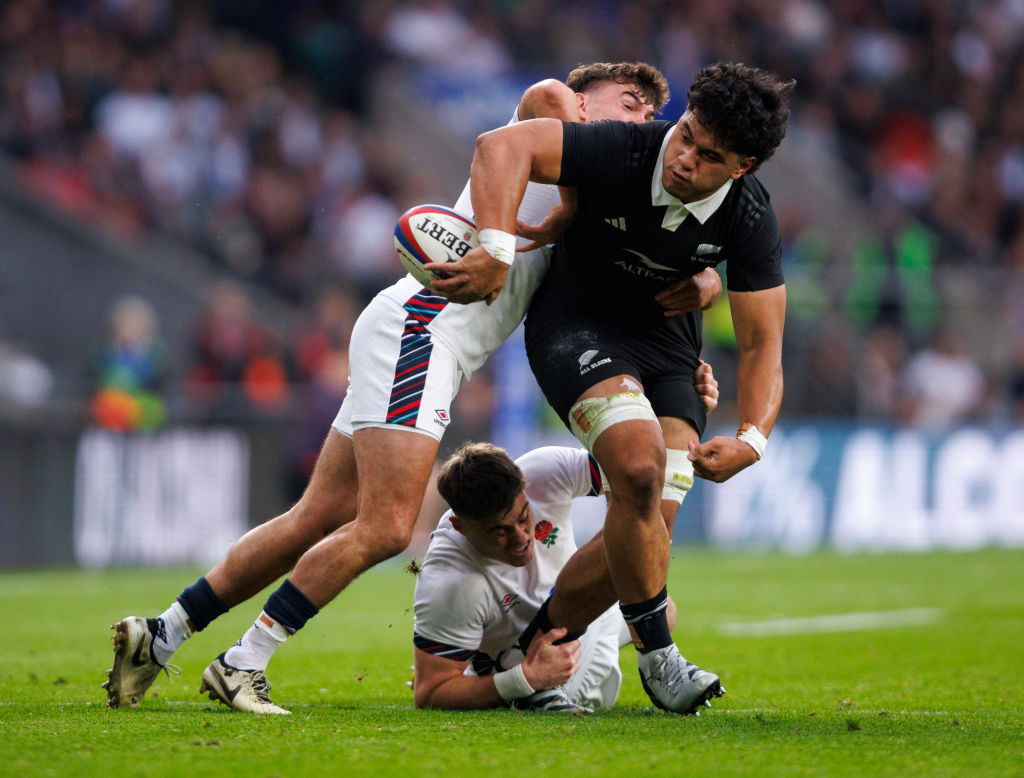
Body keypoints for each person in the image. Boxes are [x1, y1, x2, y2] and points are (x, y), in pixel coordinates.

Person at [104, 62, 723, 714]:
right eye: (628, 104)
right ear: (588, 99)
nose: (639, 124)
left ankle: (163, 633)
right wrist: (569, 194)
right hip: (424, 333)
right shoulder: (553, 125)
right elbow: (546, 93)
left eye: (649, 117)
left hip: (415, 336)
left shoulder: (600, 190)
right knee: (388, 527)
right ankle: (243, 661)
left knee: (316, 518)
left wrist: (701, 302)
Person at [429, 62, 793, 714]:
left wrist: (754, 440)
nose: (682, 157)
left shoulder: (749, 216)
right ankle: (659, 656)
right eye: (685, 133)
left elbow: (765, 344)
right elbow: (500, 146)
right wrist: (494, 247)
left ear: (742, 166)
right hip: (578, 327)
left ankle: (527, 656)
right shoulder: (629, 148)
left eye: (707, 156)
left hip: (668, 351)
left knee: (652, 520)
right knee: (636, 463)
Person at [414, 360, 717, 713]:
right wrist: (524, 679)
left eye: (523, 517)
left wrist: (684, 407)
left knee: (664, 610)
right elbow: (430, 693)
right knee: (646, 591)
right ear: (461, 527)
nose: (520, 538)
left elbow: (634, 471)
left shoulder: (542, 471)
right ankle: (528, 686)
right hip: (534, 663)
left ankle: (653, 658)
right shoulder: (448, 579)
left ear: (525, 488)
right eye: (498, 532)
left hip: (584, 612)